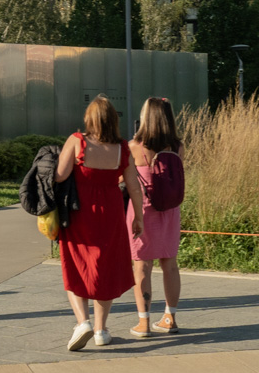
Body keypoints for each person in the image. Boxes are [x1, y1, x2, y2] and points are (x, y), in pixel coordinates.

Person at [56, 95, 143, 350]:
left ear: (90, 119)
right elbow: (134, 187)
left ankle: (82, 322)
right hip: (111, 213)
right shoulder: (122, 148)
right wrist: (138, 217)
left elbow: (60, 176)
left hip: (79, 213)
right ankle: (101, 330)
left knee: (76, 264)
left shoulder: (77, 141)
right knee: (104, 267)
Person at [126, 96, 184, 339]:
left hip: (143, 211)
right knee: (169, 264)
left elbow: (125, 179)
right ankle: (169, 317)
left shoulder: (135, 147)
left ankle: (143, 322)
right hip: (170, 211)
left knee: (142, 266)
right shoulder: (178, 147)